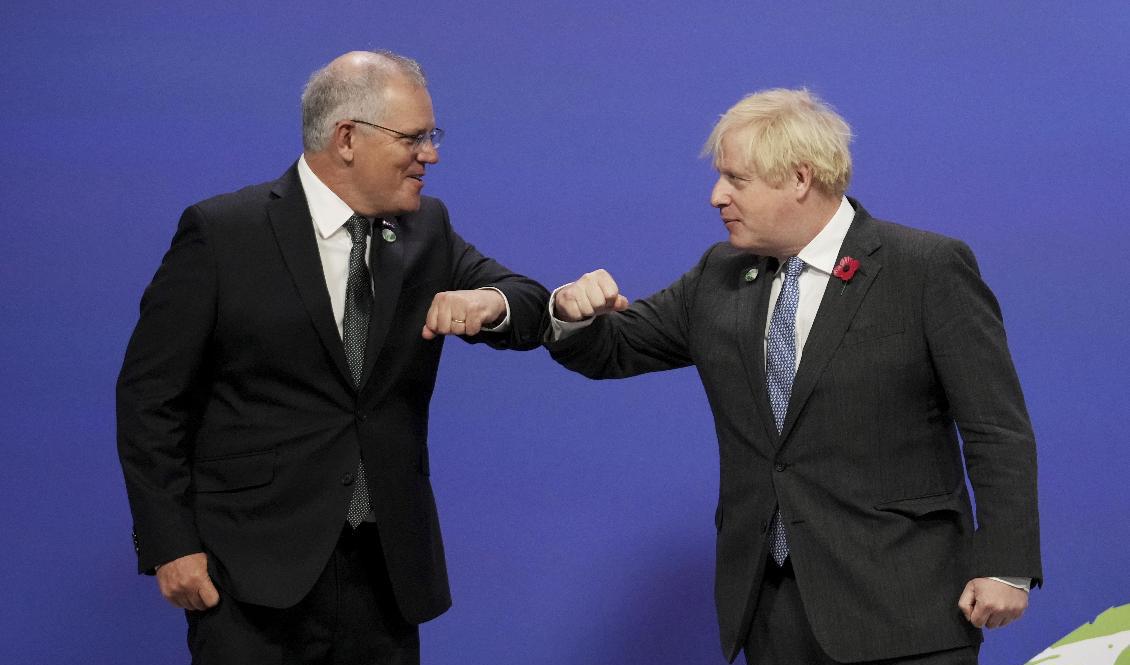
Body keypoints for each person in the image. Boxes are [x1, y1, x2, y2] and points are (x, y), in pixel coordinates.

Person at [546, 88, 1041, 664]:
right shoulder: (719, 275)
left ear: (799, 178)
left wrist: (1006, 566)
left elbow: (996, 429)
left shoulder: (926, 269)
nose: (716, 196)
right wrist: (568, 313)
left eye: (736, 179)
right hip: (773, 612)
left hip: (905, 611)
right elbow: (614, 349)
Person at [116, 50, 548, 664]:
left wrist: (487, 302)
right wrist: (170, 544)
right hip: (252, 575)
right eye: (415, 138)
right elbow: (150, 400)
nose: (431, 154)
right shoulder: (222, 233)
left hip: (387, 574)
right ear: (347, 138)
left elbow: (524, 300)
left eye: (432, 136)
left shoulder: (426, 230)